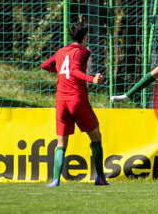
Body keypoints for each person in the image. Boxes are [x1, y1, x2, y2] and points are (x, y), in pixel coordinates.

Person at [40, 21, 108, 187]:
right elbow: (75, 70)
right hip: (77, 100)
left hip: (61, 101)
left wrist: (60, 72)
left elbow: (45, 65)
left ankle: (55, 179)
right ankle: (100, 177)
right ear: (84, 36)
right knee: (96, 136)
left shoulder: (61, 51)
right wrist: (92, 79)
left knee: (61, 142)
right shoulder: (83, 51)